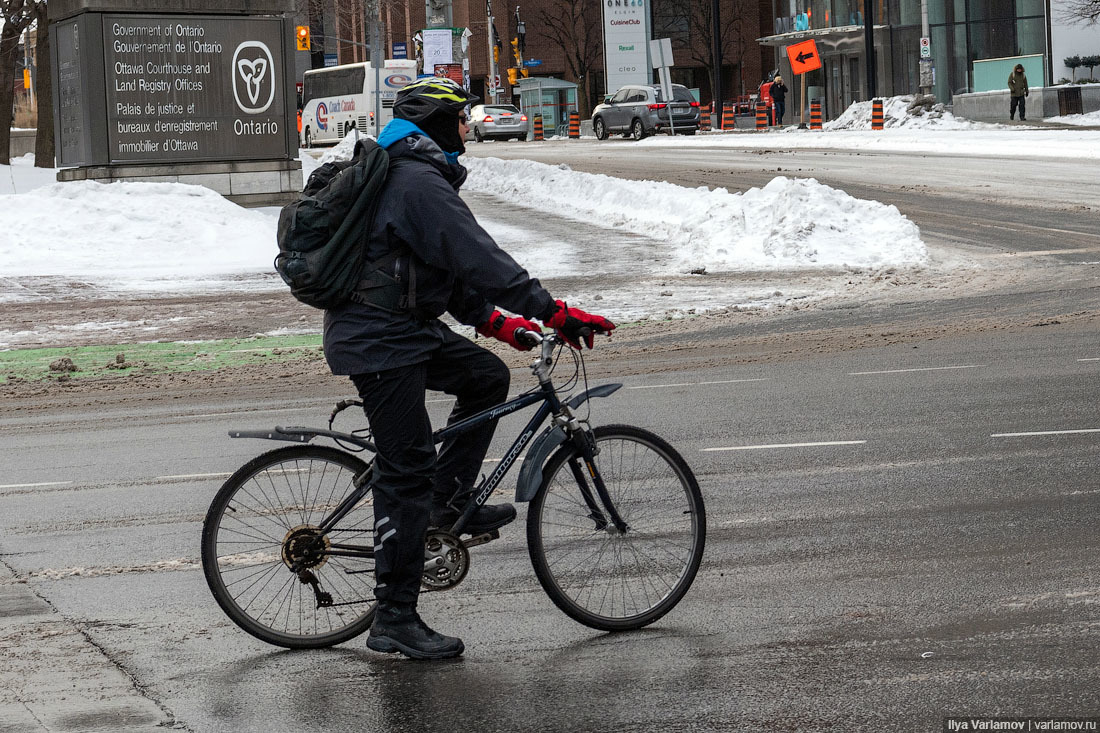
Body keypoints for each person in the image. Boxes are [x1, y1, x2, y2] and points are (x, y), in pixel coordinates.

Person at [322, 77, 616, 660]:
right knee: (406, 467)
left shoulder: (412, 174)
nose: (466, 130)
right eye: (459, 119)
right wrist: (551, 311)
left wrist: (496, 324)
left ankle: (449, 500)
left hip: (398, 326)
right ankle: (394, 616)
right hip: (379, 340)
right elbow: (478, 259)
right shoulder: (414, 181)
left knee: (485, 377)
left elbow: (436, 272)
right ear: (434, 121)